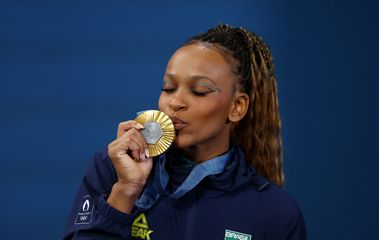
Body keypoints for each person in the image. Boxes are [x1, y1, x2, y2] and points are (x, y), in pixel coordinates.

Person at [63, 24, 306, 240]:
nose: (175, 102)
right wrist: (125, 192)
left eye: (199, 91)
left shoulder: (275, 211)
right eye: (168, 88)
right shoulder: (112, 169)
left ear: (237, 107)